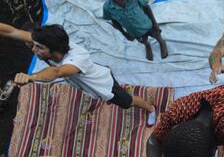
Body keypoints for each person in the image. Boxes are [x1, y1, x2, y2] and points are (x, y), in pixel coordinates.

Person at [0, 23, 157, 125]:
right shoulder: (48, 45)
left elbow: (57, 72)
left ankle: (151, 109)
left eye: (38, 47)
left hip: (104, 84)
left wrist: (31, 77)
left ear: (53, 48)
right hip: (89, 79)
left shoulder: (77, 59)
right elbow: (12, 31)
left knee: (127, 102)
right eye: (34, 45)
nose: (34, 50)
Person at [103, 0, 168, 61]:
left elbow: (146, 7)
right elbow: (114, 21)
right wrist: (124, 33)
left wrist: (155, 23)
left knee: (157, 35)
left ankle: (162, 43)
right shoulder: (107, 7)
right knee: (143, 40)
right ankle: (147, 46)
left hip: (148, 25)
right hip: (134, 32)